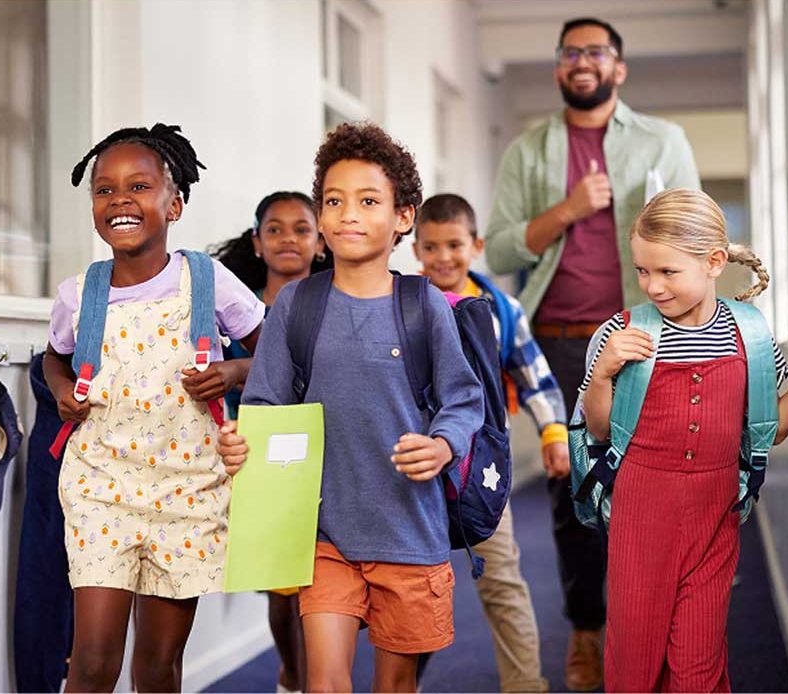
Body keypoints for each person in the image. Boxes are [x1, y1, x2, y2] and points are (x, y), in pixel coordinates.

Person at [217, 122, 484, 693]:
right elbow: (265, 403)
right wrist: (242, 442)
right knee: (325, 683)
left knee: (393, 686)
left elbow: (464, 399)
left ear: (403, 217)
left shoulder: (424, 305)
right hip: (323, 533)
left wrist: (440, 445)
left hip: (409, 532)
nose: (348, 215)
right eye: (334, 201)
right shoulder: (296, 304)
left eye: (368, 201)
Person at [482, 17, 701, 689]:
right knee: (575, 492)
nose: (583, 62)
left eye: (596, 52)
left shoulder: (665, 141)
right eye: (570, 52)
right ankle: (586, 631)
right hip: (560, 345)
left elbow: (692, 236)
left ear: (619, 67)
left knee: (655, 491)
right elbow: (499, 250)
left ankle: (657, 629)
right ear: (557, 69)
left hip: (647, 338)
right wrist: (570, 209)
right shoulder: (528, 150)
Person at [579, 188, 788, 691]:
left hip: (716, 519)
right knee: (634, 658)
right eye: (642, 270)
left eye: (668, 272)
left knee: (699, 662)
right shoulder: (621, 331)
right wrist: (603, 373)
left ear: (715, 261)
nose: (652, 286)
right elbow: (599, 428)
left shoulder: (753, 337)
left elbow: (771, 430)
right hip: (639, 518)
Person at [43, 123, 265, 693]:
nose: (120, 199)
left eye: (139, 187)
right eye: (104, 189)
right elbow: (53, 359)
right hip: (101, 486)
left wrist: (231, 371)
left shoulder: (208, 280)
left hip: (186, 488)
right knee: (92, 662)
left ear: (176, 204)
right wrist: (61, 389)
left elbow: (274, 355)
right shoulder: (78, 293)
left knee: (157, 666)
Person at [412, 193, 564, 692]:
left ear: (475, 245)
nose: (443, 258)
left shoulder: (502, 309)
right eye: (430, 247)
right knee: (414, 591)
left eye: (454, 245)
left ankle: (525, 684)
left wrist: (552, 431)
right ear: (415, 250)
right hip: (418, 467)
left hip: (482, 470)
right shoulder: (403, 302)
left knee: (501, 580)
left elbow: (535, 376)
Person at [211, 190, 331, 692]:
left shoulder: (333, 302)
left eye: (301, 228)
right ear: (257, 243)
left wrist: (240, 369)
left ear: (320, 242)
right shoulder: (234, 311)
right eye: (275, 229)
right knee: (281, 587)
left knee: (324, 580)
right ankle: (293, 674)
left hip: (326, 449)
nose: (288, 239)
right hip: (254, 454)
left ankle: (321, 673)